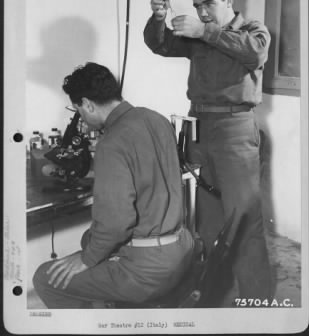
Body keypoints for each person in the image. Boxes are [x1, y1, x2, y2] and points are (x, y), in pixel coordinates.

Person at [144, 0, 272, 302]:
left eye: (209, 4)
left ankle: (260, 307)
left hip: (235, 131)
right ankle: (206, 294)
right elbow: (160, 44)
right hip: (198, 128)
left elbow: (254, 54)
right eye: (197, 5)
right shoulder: (199, 35)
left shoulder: (253, 31)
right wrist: (159, 18)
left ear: (230, 1)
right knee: (203, 222)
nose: (202, 12)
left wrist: (206, 32)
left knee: (245, 225)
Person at [33, 62, 194, 308]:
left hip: (149, 271)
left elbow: (117, 223)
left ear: (88, 104)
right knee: (89, 238)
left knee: (45, 278)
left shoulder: (112, 142)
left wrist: (86, 260)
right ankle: (108, 305)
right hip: (181, 249)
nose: (82, 119)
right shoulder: (157, 119)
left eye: (78, 110)